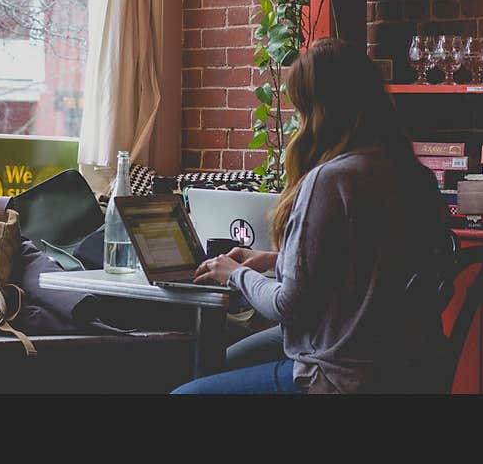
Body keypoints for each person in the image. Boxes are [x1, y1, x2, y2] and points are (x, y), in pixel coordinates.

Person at [173, 38, 451, 394]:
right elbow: (368, 264)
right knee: (218, 362)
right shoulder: (413, 174)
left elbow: (288, 305)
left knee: (185, 391)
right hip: (403, 365)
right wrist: (273, 260)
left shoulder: (333, 180)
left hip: (341, 373)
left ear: (320, 111)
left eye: (300, 107)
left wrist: (235, 274)